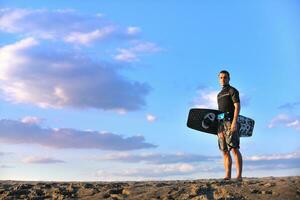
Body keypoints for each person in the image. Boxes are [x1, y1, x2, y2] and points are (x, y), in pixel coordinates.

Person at [217, 70, 243, 181]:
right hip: (221, 124)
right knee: (224, 150)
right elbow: (220, 112)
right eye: (221, 77)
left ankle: (239, 176)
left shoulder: (233, 91)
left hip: (230, 121)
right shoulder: (219, 95)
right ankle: (227, 175)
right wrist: (218, 128)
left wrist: (234, 123)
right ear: (219, 79)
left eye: (225, 77)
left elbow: (237, 107)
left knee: (234, 149)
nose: (223, 79)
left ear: (229, 78)